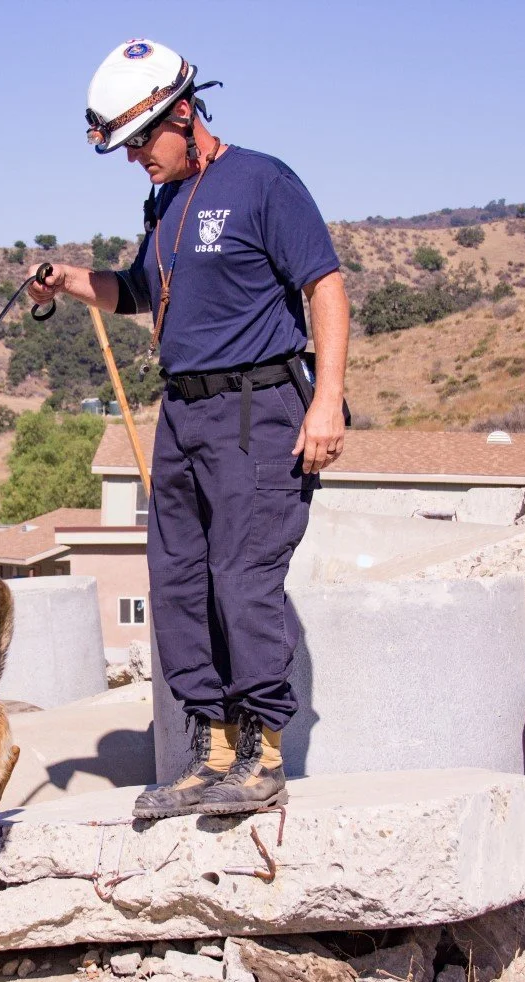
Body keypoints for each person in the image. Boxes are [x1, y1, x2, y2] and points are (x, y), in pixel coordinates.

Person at [28, 39, 349, 819]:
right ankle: (207, 755)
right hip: (183, 412)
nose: (136, 157)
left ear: (183, 113)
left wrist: (328, 398)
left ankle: (262, 755)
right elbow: (141, 289)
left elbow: (325, 285)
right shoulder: (164, 202)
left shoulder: (263, 180)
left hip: (257, 408)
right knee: (177, 585)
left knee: (243, 578)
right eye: (124, 147)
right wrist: (72, 281)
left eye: (141, 140)